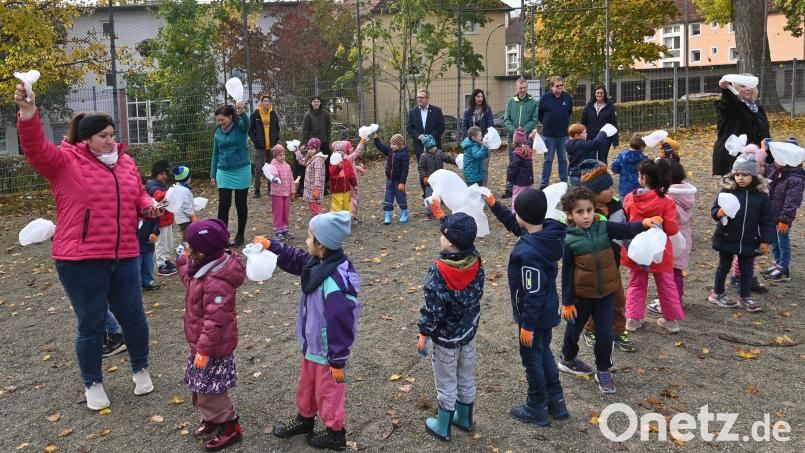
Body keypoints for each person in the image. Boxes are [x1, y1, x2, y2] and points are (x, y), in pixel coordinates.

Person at [15, 83, 157, 410]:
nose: (111, 139)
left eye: (112, 133)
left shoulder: (126, 163)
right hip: (80, 260)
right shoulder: (64, 162)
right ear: (87, 138)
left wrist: (159, 207)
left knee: (135, 318)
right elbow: (35, 147)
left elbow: (139, 198)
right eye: (104, 135)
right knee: (91, 323)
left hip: (124, 256)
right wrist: (28, 112)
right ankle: (93, 383)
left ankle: (141, 369)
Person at [257, 211, 361, 451]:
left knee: (329, 392)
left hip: (329, 353)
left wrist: (337, 358)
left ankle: (335, 433)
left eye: (309, 236)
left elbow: (341, 322)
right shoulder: (319, 262)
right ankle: (305, 418)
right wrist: (271, 246)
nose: (305, 241)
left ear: (321, 243)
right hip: (313, 346)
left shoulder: (335, 281)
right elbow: (296, 258)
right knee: (307, 385)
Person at [558, 186, 656, 393]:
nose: (585, 216)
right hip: (581, 297)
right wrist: (567, 302)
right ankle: (568, 359)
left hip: (606, 294)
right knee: (573, 331)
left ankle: (603, 369)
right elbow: (567, 273)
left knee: (605, 334)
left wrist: (644, 224)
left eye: (589, 210)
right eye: (579, 212)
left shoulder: (604, 227)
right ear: (569, 215)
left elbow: (626, 229)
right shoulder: (568, 240)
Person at [485, 188, 568, 426]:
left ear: (523, 215)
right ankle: (557, 403)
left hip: (534, 318)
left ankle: (536, 408)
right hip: (547, 312)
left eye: (515, 211)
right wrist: (494, 205)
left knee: (532, 361)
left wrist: (527, 325)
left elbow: (533, 293)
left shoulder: (529, 253)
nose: (514, 215)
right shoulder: (544, 234)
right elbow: (515, 225)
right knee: (545, 355)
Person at [178, 219, 246, 452]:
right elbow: (190, 281)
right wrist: (182, 262)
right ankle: (211, 419)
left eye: (191, 249)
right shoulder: (203, 266)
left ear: (203, 251)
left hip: (212, 347)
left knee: (211, 389)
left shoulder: (217, 281)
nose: (188, 252)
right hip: (202, 343)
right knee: (200, 384)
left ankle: (229, 426)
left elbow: (216, 321)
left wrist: (203, 351)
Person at [417, 207, 483, 441]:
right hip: (468, 332)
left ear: (452, 244)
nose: (440, 237)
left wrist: (424, 332)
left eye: (443, 234)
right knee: (465, 375)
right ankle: (464, 418)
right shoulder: (476, 261)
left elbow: (433, 309)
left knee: (446, 382)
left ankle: (443, 425)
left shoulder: (438, 271)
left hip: (445, 339)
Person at [577, 159, 636, 353]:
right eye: (607, 188)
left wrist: (633, 249)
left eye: (612, 187)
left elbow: (624, 230)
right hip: (592, 268)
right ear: (593, 193)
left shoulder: (617, 206)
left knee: (618, 299)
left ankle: (618, 330)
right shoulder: (586, 214)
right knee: (594, 300)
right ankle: (590, 328)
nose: (612, 190)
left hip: (613, 265)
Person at [622, 159, 684, 333]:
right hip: (660, 250)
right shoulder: (666, 202)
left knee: (636, 283)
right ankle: (671, 321)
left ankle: (633, 320)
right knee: (666, 284)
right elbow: (671, 229)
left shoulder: (630, 198)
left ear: (643, 178)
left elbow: (627, 218)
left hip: (638, 249)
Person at [708, 153, 776, 312]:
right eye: (737, 174)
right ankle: (717, 293)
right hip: (727, 236)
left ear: (753, 175)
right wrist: (718, 213)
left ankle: (744, 296)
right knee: (723, 266)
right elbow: (715, 209)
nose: (740, 178)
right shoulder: (727, 190)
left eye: (745, 175)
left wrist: (766, 240)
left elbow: (766, 219)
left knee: (747, 269)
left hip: (749, 238)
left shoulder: (761, 196)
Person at [648, 159, 697, 314]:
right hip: (683, 235)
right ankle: (674, 300)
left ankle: (672, 303)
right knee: (675, 271)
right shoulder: (685, 194)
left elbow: (666, 220)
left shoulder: (669, 197)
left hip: (673, 238)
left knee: (670, 273)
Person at [763, 137, 805, 283]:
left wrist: (785, 220)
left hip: (782, 219)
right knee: (774, 241)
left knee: (783, 242)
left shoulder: (795, 179)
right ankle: (778, 262)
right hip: (772, 215)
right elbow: (763, 168)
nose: (775, 160)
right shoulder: (776, 170)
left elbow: (793, 202)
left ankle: (784, 268)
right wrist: (765, 149)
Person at [713, 75, 770, 176]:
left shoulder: (758, 108)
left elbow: (764, 132)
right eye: (743, 86)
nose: (748, 89)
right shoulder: (733, 106)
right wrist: (726, 90)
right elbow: (728, 103)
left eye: (750, 86)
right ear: (736, 89)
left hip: (755, 156)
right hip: (734, 159)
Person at [212, 102, 251, 247]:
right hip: (223, 171)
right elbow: (215, 153)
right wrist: (213, 173)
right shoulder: (218, 130)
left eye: (222, 119)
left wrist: (241, 112)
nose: (220, 123)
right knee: (223, 205)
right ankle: (222, 236)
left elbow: (247, 123)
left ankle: (240, 235)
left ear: (230, 117)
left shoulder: (240, 127)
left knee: (240, 204)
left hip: (241, 169)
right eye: (218, 120)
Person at [406, 89, 446, 197]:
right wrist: (418, 136)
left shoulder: (437, 111)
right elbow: (409, 128)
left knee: (437, 172)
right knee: (423, 172)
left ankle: (438, 195)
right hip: (420, 147)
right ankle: (427, 195)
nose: (419, 99)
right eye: (418, 97)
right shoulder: (412, 112)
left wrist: (430, 137)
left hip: (434, 148)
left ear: (428, 98)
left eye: (421, 97)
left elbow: (441, 127)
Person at [503, 78, 538, 197]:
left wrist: (523, 131)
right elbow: (506, 119)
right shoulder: (511, 101)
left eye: (524, 88)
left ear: (527, 88)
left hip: (526, 138)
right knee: (512, 161)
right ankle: (510, 187)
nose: (522, 90)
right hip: (511, 138)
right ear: (516, 88)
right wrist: (514, 131)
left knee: (526, 161)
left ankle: (526, 185)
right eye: (520, 88)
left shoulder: (533, 102)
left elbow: (534, 119)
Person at [537, 76, 573, 189]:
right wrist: (547, 124)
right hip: (549, 135)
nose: (560, 87)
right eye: (557, 86)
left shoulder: (567, 97)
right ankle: (544, 183)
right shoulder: (545, 98)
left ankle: (564, 182)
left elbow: (569, 111)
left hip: (563, 135)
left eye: (562, 85)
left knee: (563, 159)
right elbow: (540, 114)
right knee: (548, 160)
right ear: (552, 86)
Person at [146, 160, 177, 276]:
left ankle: (167, 260)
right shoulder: (153, 186)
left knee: (169, 242)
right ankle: (161, 265)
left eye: (165, 173)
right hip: (159, 221)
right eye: (161, 174)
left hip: (167, 219)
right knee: (161, 243)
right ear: (155, 174)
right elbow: (158, 197)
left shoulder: (161, 185)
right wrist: (171, 192)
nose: (164, 176)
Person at [248, 94, 280, 198]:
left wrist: (275, 140)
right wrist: (256, 141)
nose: (267, 103)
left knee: (271, 168)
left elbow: (277, 128)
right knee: (258, 168)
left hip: (271, 147)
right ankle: (257, 191)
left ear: (271, 103)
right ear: (261, 102)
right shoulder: (255, 114)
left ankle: (271, 189)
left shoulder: (273, 114)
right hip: (260, 147)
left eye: (269, 101)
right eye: (265, 101)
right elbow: (250, 131)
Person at [418, 135, 456, 220]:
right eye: (431, 148)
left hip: (440, 179)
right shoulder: (423, 156)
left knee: (441, 194)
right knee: (429, 196)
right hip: (430, 181)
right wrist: (424, 177)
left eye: (434, 146)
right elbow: (421, 168)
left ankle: (444, 208)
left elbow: (448, 158)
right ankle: (428, 213)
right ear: (427, 148)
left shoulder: (439, 153)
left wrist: (456, 161)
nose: (434, 149)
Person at [374, 133, 409, 224]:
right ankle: (387, 215)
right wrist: (376, 138)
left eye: (393, 144)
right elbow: (381, 147)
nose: (391, 146)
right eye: (391, 144)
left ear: (400, 145)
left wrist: (402, 182)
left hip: (398, 181)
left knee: (400, 197)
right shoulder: (390, 151)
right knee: (388, 196)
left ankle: (404, 213)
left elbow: (405, 170)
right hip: (389, 179)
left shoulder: (404, 155)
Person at [580, 84, 619, 163]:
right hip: (591, 138)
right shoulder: (588, 106)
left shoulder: (610, 106)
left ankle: (602, 175)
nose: (599, 95)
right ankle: (593, 175)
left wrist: (615, 140)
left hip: (605, 138)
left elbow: (614, 124)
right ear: (595, 94)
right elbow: (583, 123)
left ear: (604, 94)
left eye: (601, 93)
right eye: (597, 93)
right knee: (591, 160)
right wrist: (582, 137)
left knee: (602, 160)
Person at [462, 89, 494, 185]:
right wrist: (470, 138)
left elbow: (490, 124)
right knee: (472, 166)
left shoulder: (487, 110)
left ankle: (483, 188)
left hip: (484, 142)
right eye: (478, 96)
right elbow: (464, 126)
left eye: (481, 96)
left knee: (484, 167)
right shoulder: (468, 111)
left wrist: (484, 139)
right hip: (472, 143)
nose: (480, 98)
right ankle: (472, 188)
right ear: (474, 98)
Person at [332, 139, 367, 223]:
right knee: (354, 199)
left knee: (347, 200)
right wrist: (361, 142)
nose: (352, 148)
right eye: (350, 147)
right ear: (346, 150)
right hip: (351, 183)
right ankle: (351, 216)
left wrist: (358, 168)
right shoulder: (349, 157)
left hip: (344, 184)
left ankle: (349, 216)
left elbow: (352, 166)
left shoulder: (342, 158)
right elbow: (357, 152)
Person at [303, 96, 332, 195]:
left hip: (324, 142)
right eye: (314, 101)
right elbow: (305, 130)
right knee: (316, 165)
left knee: (326, 163)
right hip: (314, 145)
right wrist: (305, 143)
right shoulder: (308, 115)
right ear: (311, 103)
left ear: (320, 103)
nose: (316, 103)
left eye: (318, 101)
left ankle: (326, 184)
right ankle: (316, 186)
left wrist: (328, 140)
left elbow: (328, 127)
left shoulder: (325, 113)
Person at [295, 138, 328, 218]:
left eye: (312, 149)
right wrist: (297, 152)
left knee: (316, 207)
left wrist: (316, 189)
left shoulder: (318, 160)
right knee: (312, 206)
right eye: (309, 148)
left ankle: (320, 222)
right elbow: (302, 162)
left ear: (317, 149)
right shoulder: (311, 156)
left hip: (314, 189)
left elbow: (318, 176)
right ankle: (318, 221)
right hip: (310, 188)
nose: (310, 151)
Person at [268, 144, 294, 241]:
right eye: (280, 155)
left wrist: (293, 191)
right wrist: (274, 177)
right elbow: (273, 172)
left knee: (286, 211)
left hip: (286, 193)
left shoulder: (287, 166)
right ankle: (277, 231)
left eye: (283, 154)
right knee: (278, 212)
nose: (282, 157)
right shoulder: (273, 164)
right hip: (277, 193)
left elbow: (291, 179)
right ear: (275, 156)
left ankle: (285, 229)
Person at [611, 134, 648, 198]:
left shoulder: (622, 155)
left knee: (625, 204)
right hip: (639, 187)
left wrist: (621, 170)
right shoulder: (644, 158)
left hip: (625, 186)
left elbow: (614, 168)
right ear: (642, 146)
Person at [506, 128, 534, 209]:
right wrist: (531, 137)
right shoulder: (528, 150)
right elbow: (530, 143)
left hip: (519, 182)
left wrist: (509, 178)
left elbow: (512, 168)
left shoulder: (516, 154)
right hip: (529, 181)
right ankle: (529, 211)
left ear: (514, 142)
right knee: (529, 197)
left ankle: (515, 213)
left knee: (516, 198)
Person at [137, 209, 161, 291]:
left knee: (148, 264)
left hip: (148, 243)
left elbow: (156, 223)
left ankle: (148, 282)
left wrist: (154, 233)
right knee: (137, 266)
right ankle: (137, 284)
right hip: (135, 244)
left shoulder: (151, 211)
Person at [171, 165, 196, 244]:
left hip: (180, 217)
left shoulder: (177, 188)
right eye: (190, 177)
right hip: (185, 218)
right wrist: (192, 216)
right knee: (187, 237)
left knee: (185, 236)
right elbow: (186, 206)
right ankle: (182, 254)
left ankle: (184, 253)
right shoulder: (184, 191)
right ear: (187, 179)